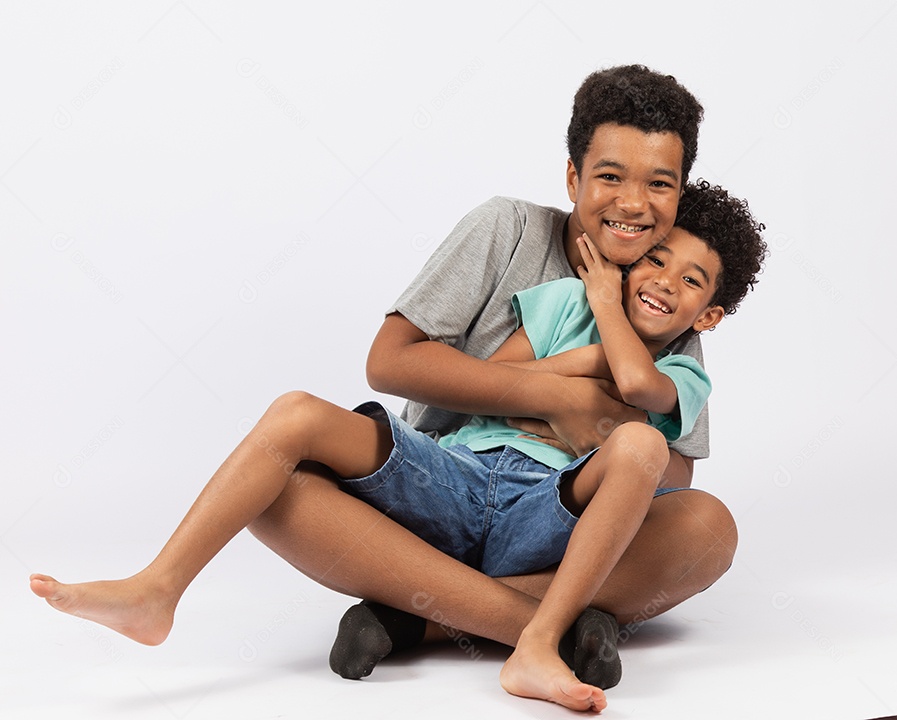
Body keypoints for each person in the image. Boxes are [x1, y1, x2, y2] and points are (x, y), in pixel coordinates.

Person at [29, 65, 753, 711]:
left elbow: (668, 471)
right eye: (609, 176)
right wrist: (566, 398)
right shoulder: (513, 235)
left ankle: (419, 620)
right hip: (438, 497)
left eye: (658, 184)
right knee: (282, 464)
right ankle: (160, 589)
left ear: (680, 193)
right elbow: (392, 363)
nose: (633, 203)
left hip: (555, 525)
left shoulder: (668, 311)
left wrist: (610, 429)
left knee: (709, 528)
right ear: (572, 178)